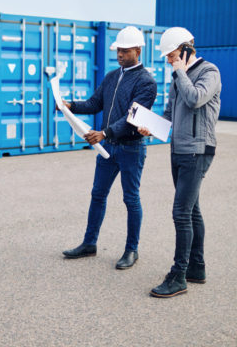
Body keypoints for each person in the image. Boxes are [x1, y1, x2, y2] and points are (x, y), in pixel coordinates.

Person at [61, 26, 157, 269]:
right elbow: (94, 103)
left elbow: (132, 118)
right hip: (108, 149)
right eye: (118, 50)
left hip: (131, 149)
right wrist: (69, 105)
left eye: (125, 51)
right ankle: (89, 244)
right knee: (97, 195)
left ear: (138, 50)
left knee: (131, 199)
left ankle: (131, 250)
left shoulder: (146, 82)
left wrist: (104, 133)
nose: (120, 54)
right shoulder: (112, 76)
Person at [138, 27, 221, 298]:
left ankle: (179, 276)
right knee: (192, 210)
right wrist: (151, 125)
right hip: (179, 150)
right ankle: (197, 267)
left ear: (186, 50)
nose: (168, 61)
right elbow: (170, 112)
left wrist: (180, 71)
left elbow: (195, 99)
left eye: (172, 56)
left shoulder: (210, 72)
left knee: (181, 213)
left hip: (198, 151)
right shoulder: (177, 77)